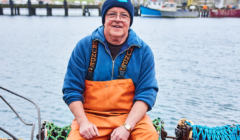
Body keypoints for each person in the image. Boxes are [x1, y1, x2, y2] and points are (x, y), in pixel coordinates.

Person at [62, 0, 159, 139]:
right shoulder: (83, 47)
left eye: (124, 15)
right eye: (112, 14)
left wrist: (127, 127)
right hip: (90, 117)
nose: (117, 20)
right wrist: (83, 122)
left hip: (131, 118)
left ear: (130, 20)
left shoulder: (143, 51)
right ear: (104, 19)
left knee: (149, 136)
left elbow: (147, 92)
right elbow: (71, 89)